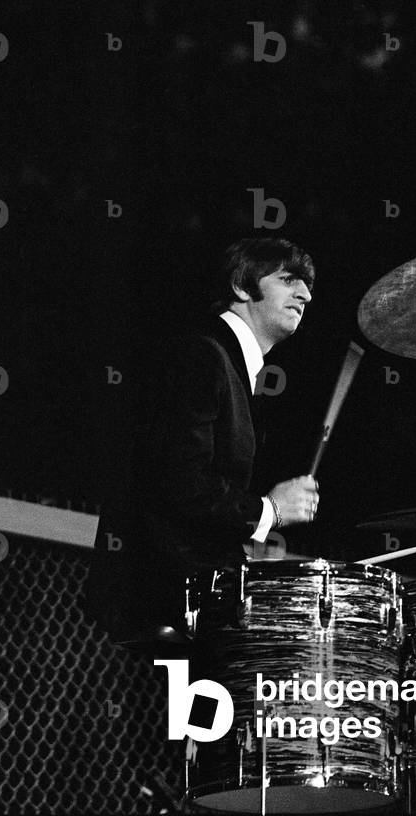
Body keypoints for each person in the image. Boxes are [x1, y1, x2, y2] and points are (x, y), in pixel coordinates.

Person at [83, 236, 319, 648]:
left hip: (185, 595)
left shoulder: (222, 362)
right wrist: (271, 510)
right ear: (242, 287)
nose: (305, 294)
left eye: (307, 284)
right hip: (163, 598)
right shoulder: (201, 357)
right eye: (288, 279)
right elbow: (179, 482)